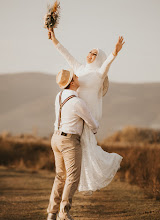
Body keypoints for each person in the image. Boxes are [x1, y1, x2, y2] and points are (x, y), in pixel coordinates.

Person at [48, 29, 124, 192]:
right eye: (90, 52)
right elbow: (66, 54)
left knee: (88, 152)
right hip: (75, 117)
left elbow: (107, 64)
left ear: (99, 58)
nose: (90, 55)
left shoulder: (99, 74)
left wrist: (114, 52)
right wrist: (54, 40)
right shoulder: (79, 68)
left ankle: (84, 181)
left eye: (94, 54)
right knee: (76, 155)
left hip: (87, 117)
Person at [47, 69, 99, 220]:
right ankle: (63, 212)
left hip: (55, 138)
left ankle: (52, 213)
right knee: (72, 178)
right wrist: (94, 131)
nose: (78, 77)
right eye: (75, 76)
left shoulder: (59, 96)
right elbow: (92, 123)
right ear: (72, 82)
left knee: (60, 176)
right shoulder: (77, 102)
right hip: (69, 141)